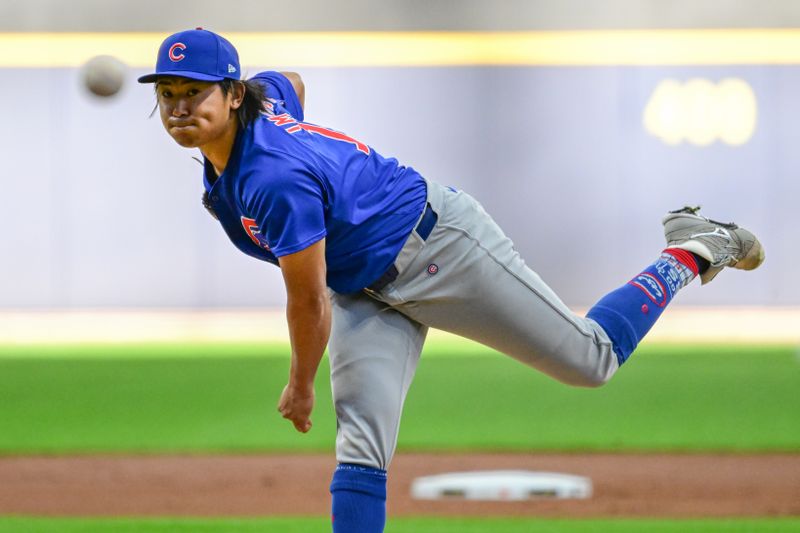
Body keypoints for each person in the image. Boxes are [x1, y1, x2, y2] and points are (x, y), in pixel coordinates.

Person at [139, 28, 765, 533]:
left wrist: (300, 385)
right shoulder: (258, 113)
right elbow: (288, 81)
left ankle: (694, 247)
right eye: (167, 93)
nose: (179, 107)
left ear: (232, 95)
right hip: (368, 288)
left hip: (439, 247)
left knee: (591, 359)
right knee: (361, 445)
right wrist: (278, 111)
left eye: (195, 91)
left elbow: (307, 300)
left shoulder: (272, 178)